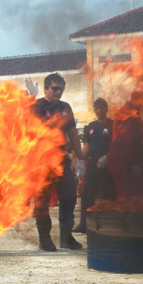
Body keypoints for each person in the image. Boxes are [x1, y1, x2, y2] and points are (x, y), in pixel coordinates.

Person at [32, 73, 85, 251]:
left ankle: (66, 237)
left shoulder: (65, 107)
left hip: (61, 159)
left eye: (61, 88)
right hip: (41, 161)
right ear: (46, 88)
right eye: (54, 88)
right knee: (42, 202)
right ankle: (45, 239)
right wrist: (29, 99)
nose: (58, 92)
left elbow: (73, 134)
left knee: (69, 198)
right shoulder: (37, 106)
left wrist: (80, 159)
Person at [74, 98, 116, 233]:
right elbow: (87, 146)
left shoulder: (113, 125)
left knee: (109, 195)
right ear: (94, 109)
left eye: (102, 107)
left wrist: (107, 157)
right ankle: (84, 224)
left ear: (106, 109)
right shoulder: (91, 127)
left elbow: (116, 145)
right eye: (97, 108)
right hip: (92, 165)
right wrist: (79, 161)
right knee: (86, 194)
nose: (99, 110)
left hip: (107, 166)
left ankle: (110, 223)